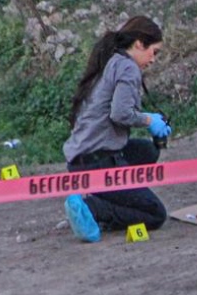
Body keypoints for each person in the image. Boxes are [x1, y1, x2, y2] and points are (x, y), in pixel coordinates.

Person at [62, 15, 172, 243]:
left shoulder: (111, 61)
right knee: (155, 214)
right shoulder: (128, 69)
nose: (153, 59)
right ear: (139, 43)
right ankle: (94, 208)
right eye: (154, 51)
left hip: (80, 160)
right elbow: (120, 114)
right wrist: (150, 121)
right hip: (98, 163)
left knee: (147, 152)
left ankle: (110, 195)